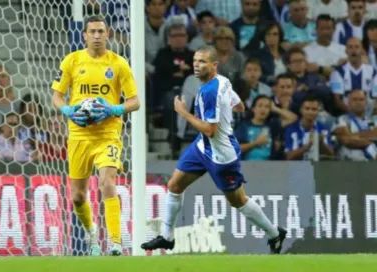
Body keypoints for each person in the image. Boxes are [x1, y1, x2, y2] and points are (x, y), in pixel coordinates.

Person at [140, 45, 287, 254]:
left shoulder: (210, 91)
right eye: (195, 61)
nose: (196, 66)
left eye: (202, 62)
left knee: (238, 201)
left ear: (214, 65)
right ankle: (167, 237)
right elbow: (240, 106)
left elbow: (210, 130)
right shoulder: (223, 81)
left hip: (221, 156)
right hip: (202, 148)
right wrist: (227, 110)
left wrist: (183, 112)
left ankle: (274, 233)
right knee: (174, 185)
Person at [51, 15, 140, 256]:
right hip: (79, 135)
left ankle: (115, 241)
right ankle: (92, 236)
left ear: (108, 34)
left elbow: (135, 102)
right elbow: (57, 96)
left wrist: (114, 109)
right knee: (78, 196)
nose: (97, 36)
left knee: (107, 182)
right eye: (93, 31)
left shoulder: (119, 64)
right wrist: (67, 109)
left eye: (101, 31)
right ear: (84, 35)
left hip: (108, 134)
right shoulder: (72, 60)